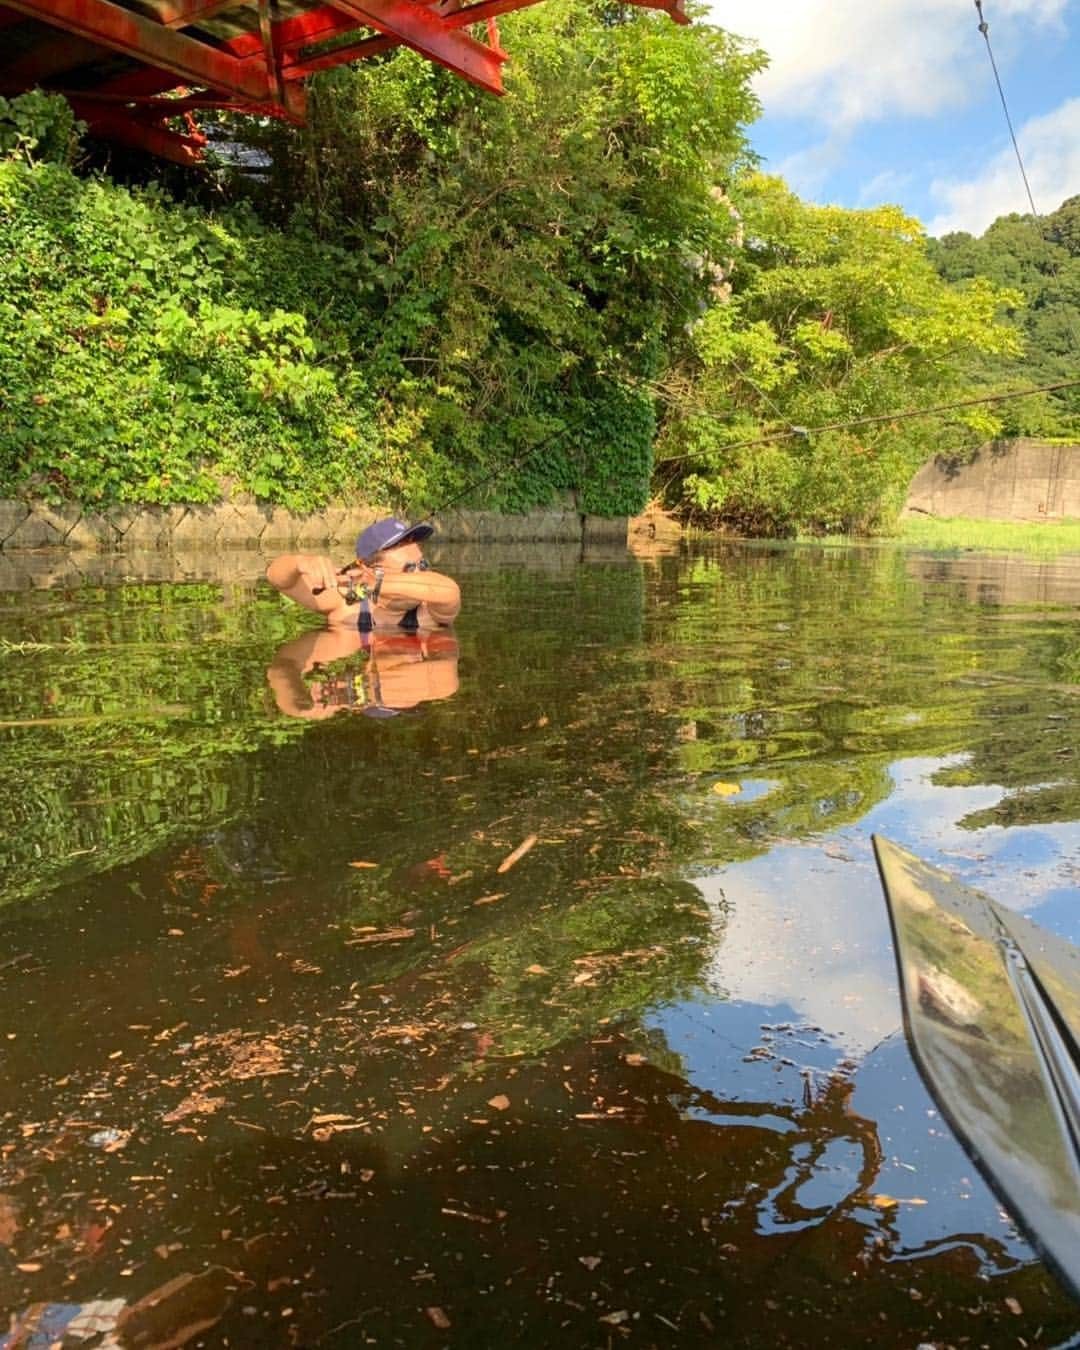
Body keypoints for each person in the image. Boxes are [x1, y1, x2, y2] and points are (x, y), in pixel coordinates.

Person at [265, 517, 461, 632]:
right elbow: (277, 578)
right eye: (409, 568)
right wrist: (300, 563)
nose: (421, 574)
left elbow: (449, 591)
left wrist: (373, 584)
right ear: (371, 570)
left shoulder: (430, 611)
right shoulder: (347, 605)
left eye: (423, 565)